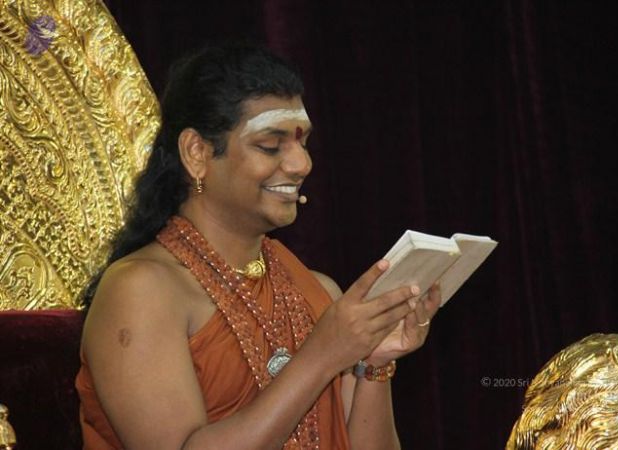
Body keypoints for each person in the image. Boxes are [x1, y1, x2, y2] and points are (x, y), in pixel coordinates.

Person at [76, 42, 441, 450]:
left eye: (303, 143)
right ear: (197, 153)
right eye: (270, 145)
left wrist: (374, 363)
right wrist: (323, 355)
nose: (302, 164)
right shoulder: (140, 291)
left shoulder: (319, 292)